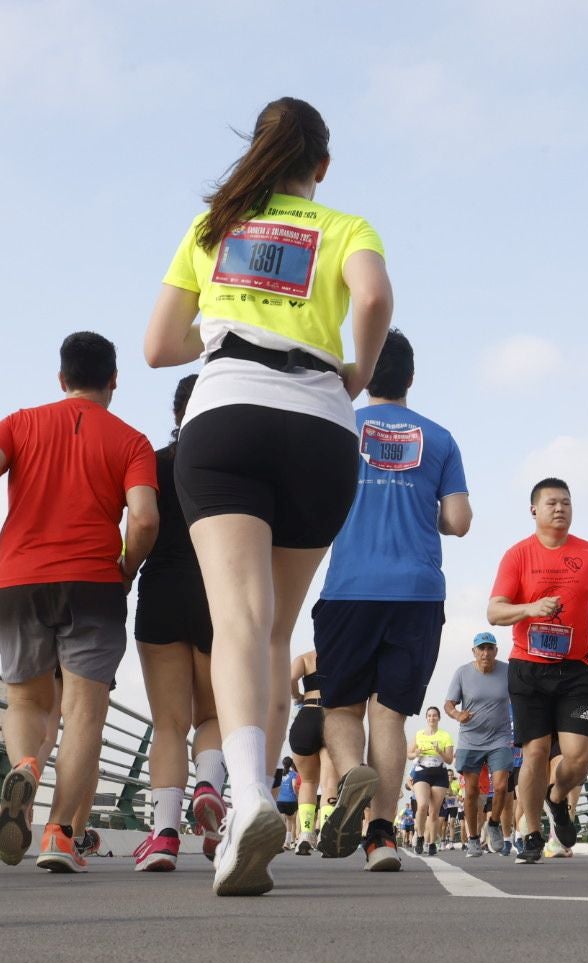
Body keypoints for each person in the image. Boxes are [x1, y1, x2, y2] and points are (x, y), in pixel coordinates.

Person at [144, 97, 394, 896]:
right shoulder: (346, 227)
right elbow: (376, 299)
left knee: (236, 622)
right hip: (321, 425)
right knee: (277, 628)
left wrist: (217, 329)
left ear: (257, 155)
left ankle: (249, 795)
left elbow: (157, 347)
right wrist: (355, 368)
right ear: (320, 167)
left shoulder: (212, 227)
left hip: (227, 416)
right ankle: (264, 809)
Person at [0, 331, 159, 873]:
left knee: (26, 704)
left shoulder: (20, 423)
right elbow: (143, 519)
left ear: (61, 378)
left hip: (20, 582)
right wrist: (127, 568)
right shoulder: (132, 442)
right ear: (113, 381)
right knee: (83, 718)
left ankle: (26, 764)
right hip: (94, 585)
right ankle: (57, 836)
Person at [314, 328, 472, 870]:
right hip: (417, 591)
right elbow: (458, 520)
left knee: (339, 706)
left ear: (361, 372)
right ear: (409, 377)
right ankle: (381, 835)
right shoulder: (441, 438)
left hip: (350, 587)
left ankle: (349, 774)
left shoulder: (338, 427)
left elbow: (312, 505)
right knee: (390, 713)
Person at [488, 478, 588, 864]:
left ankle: (556, 799)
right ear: (534, 510)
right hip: (529, 666)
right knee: (536, 753)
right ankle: (530, 832)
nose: (560, 509)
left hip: (575, 667)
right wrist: (529, 608)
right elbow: (494, 611)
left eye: (566, 503)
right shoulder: (517, 555)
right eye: (551, 503)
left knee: (577, 758)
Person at [132, 374, 227, 872]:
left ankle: (165, 836)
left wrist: (126, 571)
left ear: (175, 414)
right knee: (213, 716)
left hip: (161, 590)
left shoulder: (154, 462)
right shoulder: (231, 465)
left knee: (169, 723)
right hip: (217, 592)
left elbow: (139, 523)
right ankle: (209, 783)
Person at [444, 632, 515, 858]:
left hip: (500, 738)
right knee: (472, 791)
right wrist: (457, 714)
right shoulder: (463, 673)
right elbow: (448, 703)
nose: (485, 653)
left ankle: (493, 823)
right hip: (470, 739)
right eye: (481, 649)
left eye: (489, 648)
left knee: (502, 786)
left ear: (496, 651)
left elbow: (524, 694)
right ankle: (473, 839)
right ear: (474, 652)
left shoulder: (507, 671)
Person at [287, 649, 326, 854]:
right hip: (332, 714)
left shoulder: (305, 658)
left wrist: (298, 695)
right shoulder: (342, 652)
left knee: (308, 781)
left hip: (307, 713)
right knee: (329, 781)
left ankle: (306, 834)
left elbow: (291, 679)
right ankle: (326, 833)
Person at [407, 708, 454, 855]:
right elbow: (409, 754)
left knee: (434, 812)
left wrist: (440, 751)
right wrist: (417, 753)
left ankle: (432, 842)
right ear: (426, 718)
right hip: (422, 771)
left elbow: (450, 759)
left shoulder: (445, 736)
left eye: (434, 716)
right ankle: (420, 837)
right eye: (429, 716)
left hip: (439, 772)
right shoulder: (419, 734)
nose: (432, 718)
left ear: (438, 718)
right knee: (422, 806)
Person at [273, 757, 299, 844]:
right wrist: (297, 796)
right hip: (291, 800)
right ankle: (287, 842)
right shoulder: (294, 774)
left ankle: (278, 841)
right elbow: (294, 786)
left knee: (281, 821)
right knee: (290, 820)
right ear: (291, 764)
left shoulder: (279, 774)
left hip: (279, 800)